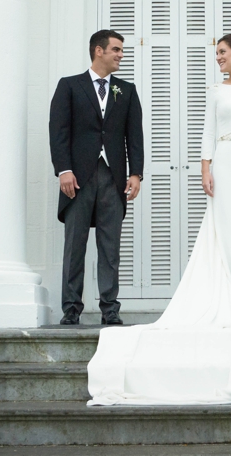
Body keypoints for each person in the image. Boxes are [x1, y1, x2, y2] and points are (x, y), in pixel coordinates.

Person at [86, 33, 231, 405]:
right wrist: (205, 170)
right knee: (227, 229)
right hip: (228, 164)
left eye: (223, 53)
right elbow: (207, 133)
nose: (218, 58)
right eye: (216, 54)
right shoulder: (215, 91)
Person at [49, 30, 144, 326]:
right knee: (74, 245)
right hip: (77, 178)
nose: (121, 55)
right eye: (116, 49)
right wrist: (64, 170)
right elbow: (59, 131)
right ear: (98, 51)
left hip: (113, 178)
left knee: (110, 246)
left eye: (122, 50)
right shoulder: (69, 86)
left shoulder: (126, 90)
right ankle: (71, 309)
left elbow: (134, 136)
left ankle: (109, 309)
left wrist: (136, 173)